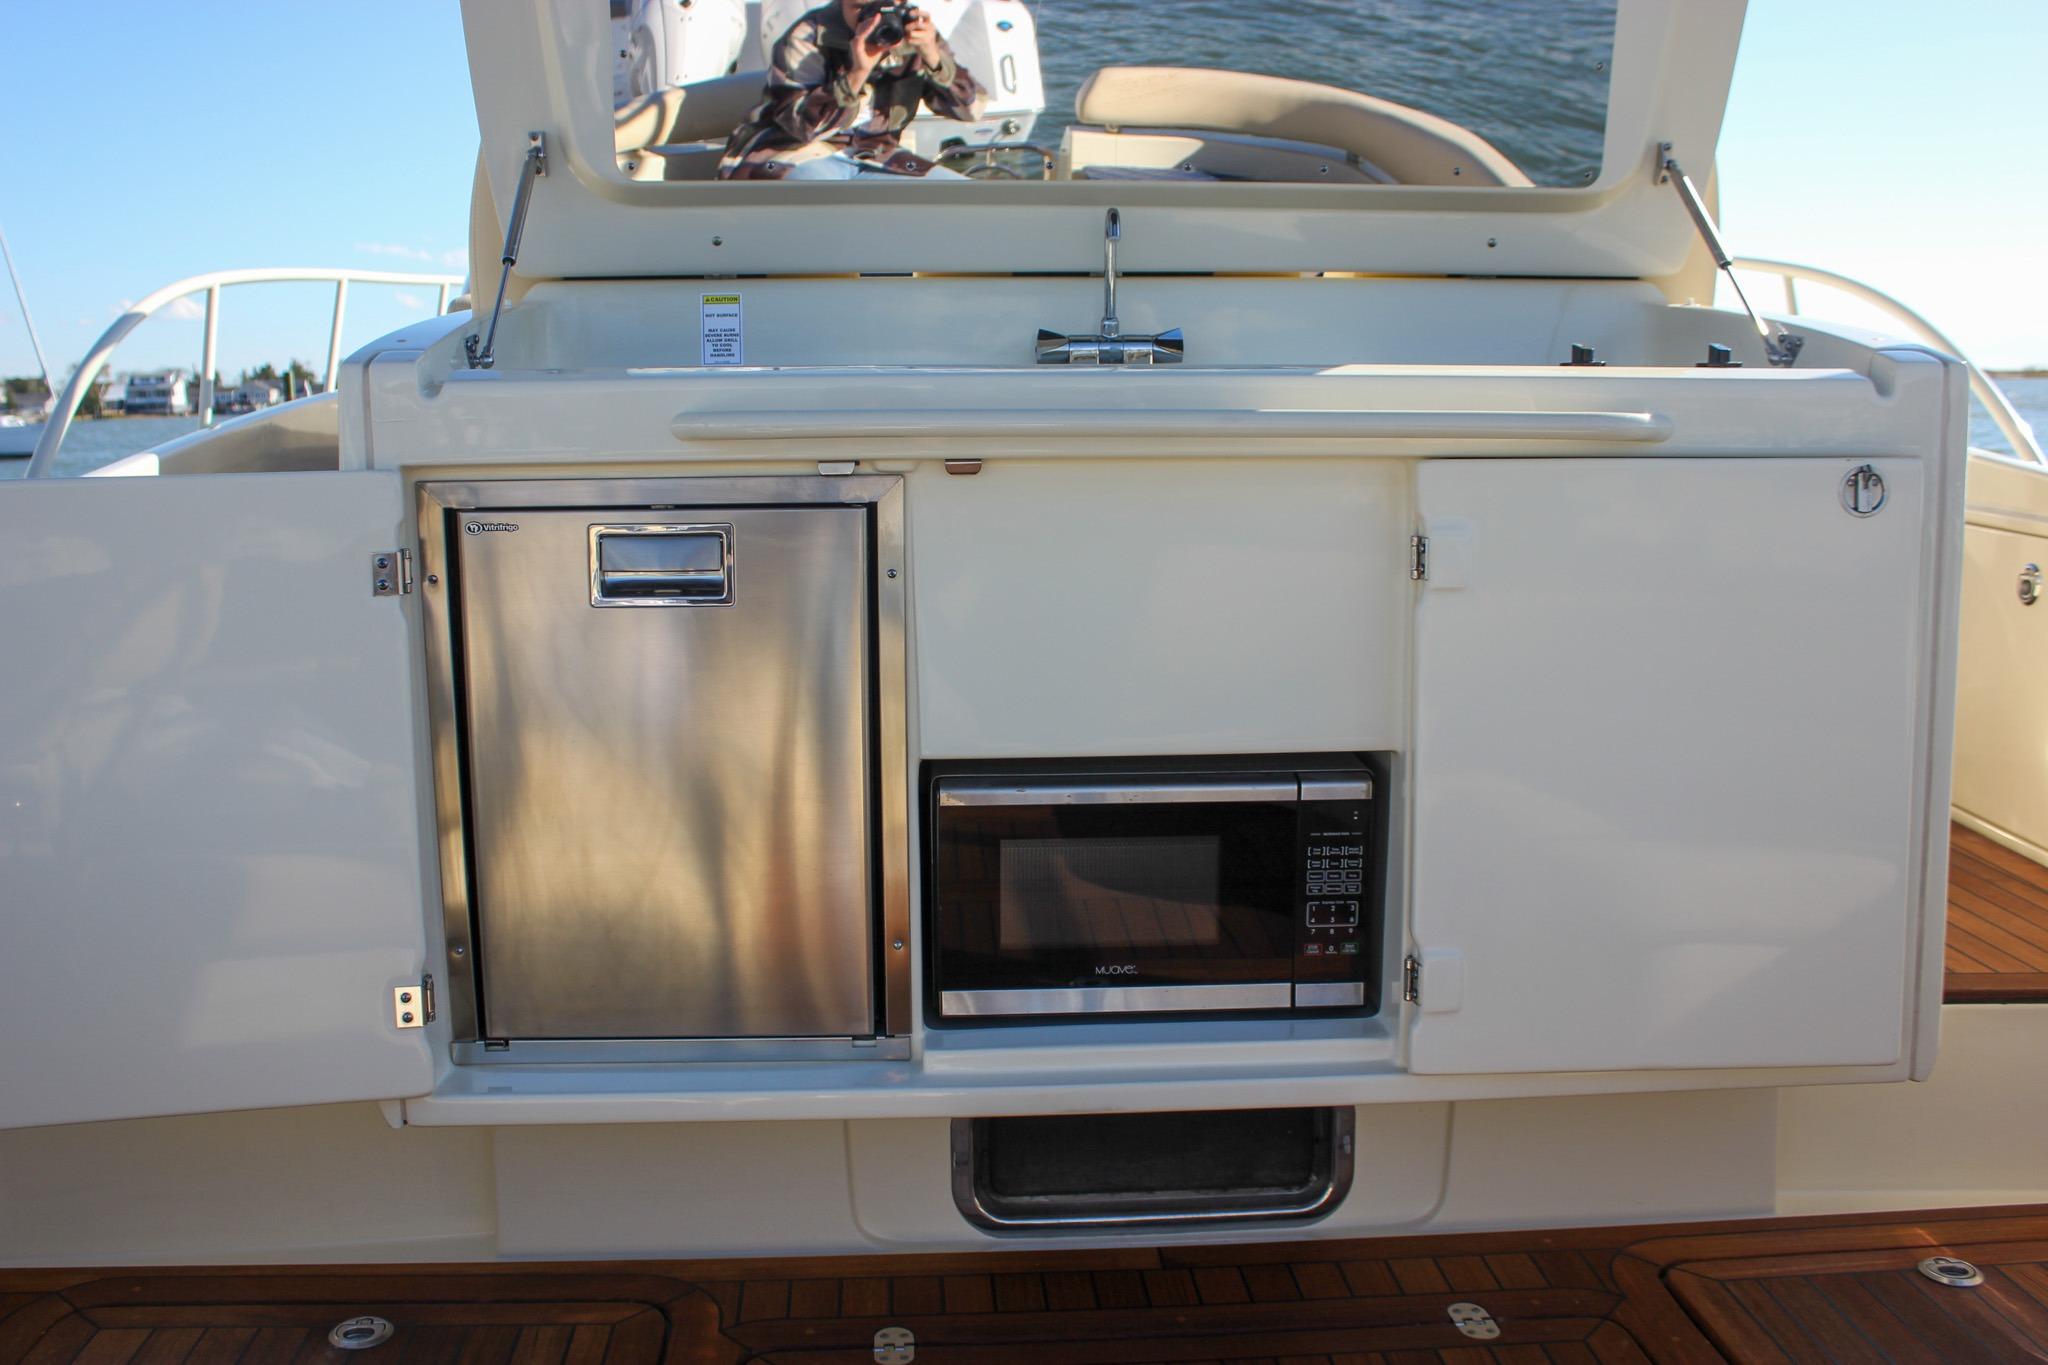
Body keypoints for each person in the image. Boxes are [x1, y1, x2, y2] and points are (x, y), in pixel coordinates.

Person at [718, 2, 986, 180]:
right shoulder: (811, 34)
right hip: (786, 153)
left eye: (883, 6)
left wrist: (933, 57)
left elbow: (971, 110)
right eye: (860, 8)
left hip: (876, 156)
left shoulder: (911, 32)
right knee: (830, 198)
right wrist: (857, 73)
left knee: (963, 199)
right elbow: (800, 127)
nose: (872, 21)